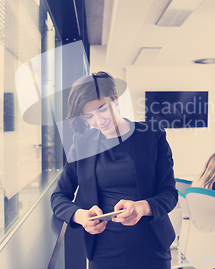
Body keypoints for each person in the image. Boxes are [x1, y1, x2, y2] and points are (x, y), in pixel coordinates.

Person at [50, 71, 178, 269]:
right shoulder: (82, 144)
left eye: (102, 109)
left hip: (152, 250)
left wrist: (141, 207)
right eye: (89, 116)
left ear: (116, 99)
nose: (99, 121)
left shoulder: (152, 135)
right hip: (103, 254)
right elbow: (59, 197)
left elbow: (169, 194)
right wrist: (81, 216)